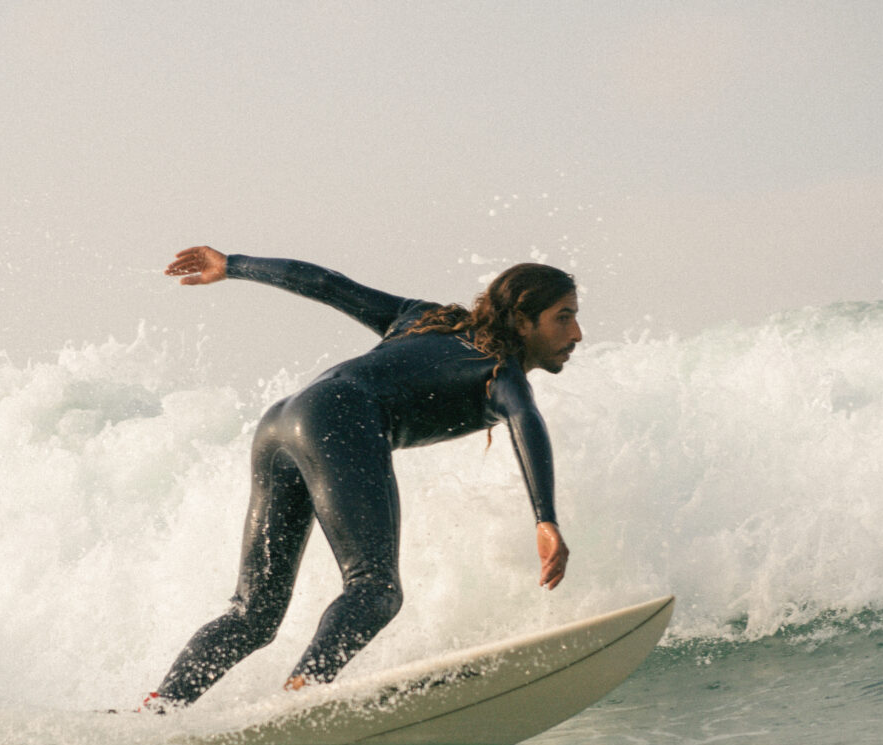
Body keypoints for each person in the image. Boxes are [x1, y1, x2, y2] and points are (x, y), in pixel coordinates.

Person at [142, 245, 579, 711]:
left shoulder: (426, 318)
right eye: (563, 317)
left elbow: (331, 285)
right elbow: (526, 420)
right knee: (375, 588)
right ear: (522, 320)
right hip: (339, 418)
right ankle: (302, 696)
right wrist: (545, 519)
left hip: (281, 423)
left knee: (254, 613)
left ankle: (159, 710)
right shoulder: (500, 374)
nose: (576, 333)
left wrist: (232, 264)